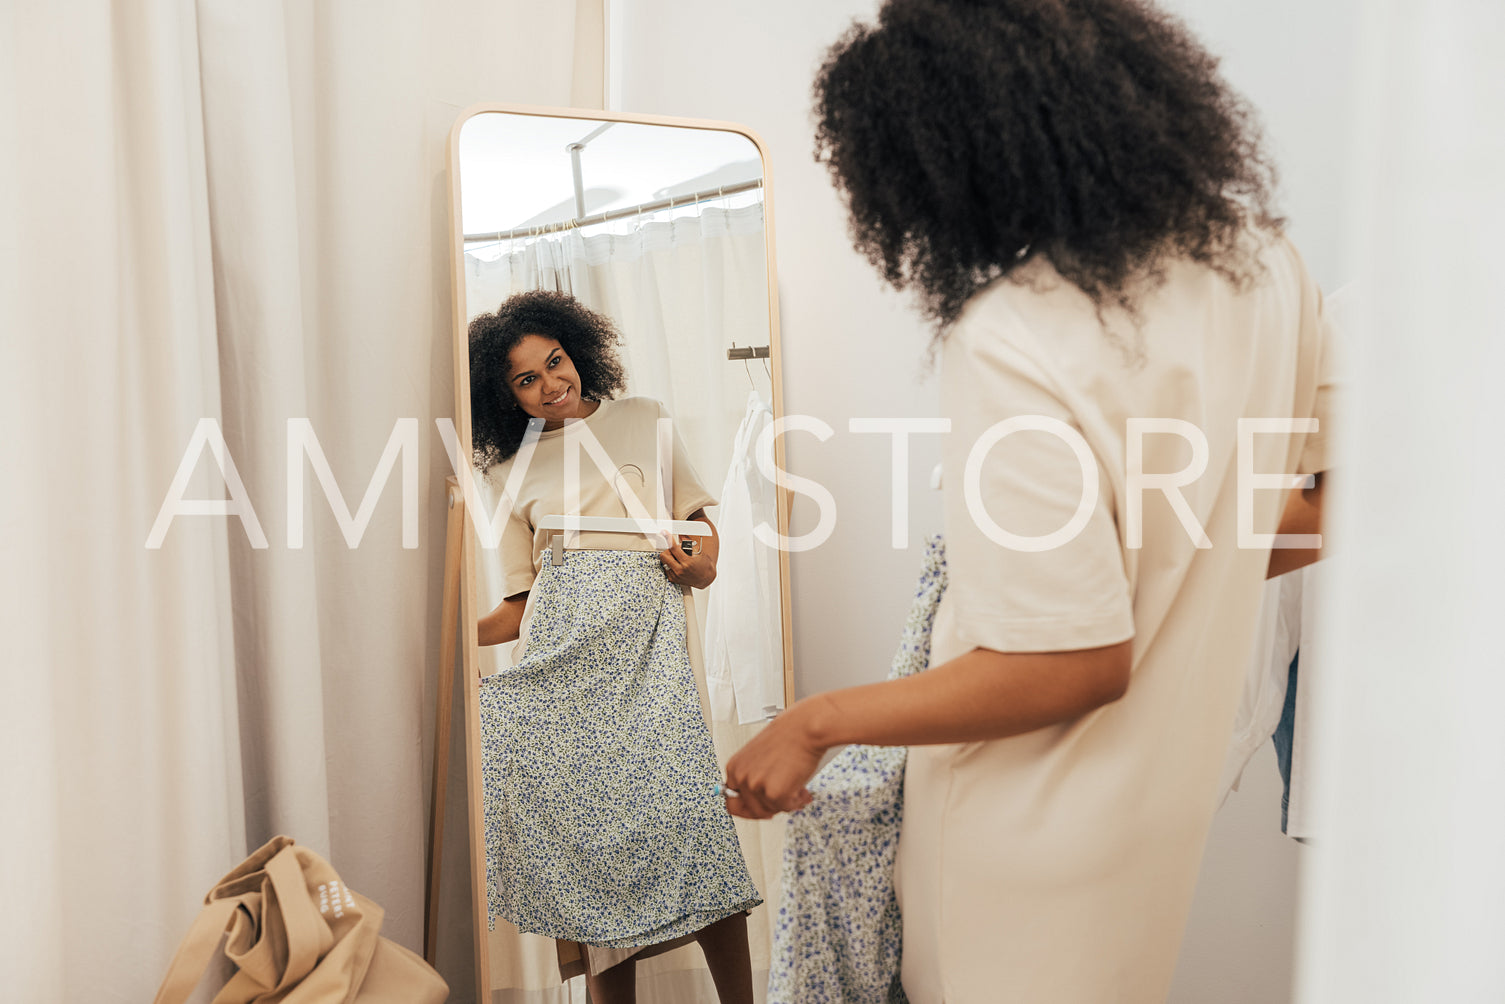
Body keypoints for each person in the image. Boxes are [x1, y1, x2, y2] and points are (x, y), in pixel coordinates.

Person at [723, 1, 1335, 1002]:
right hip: (1158, 814)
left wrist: (818, 719)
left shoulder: (1014, 327)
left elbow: (1067, 662)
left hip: (1021, 822)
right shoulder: (1265, 267)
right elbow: (1310, 511)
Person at [471, 289, 760, 1004]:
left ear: (578, 351)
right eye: (526, 379)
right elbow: (516, 609)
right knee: (595, 868)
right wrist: (436, 638)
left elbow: (698, 534)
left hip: (649, 666)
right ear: (504, 395)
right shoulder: (506, 472)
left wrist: (701, 567)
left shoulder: (645, 421)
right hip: (564, 676)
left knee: (696, 833)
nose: (550, 384)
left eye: (556, 362)